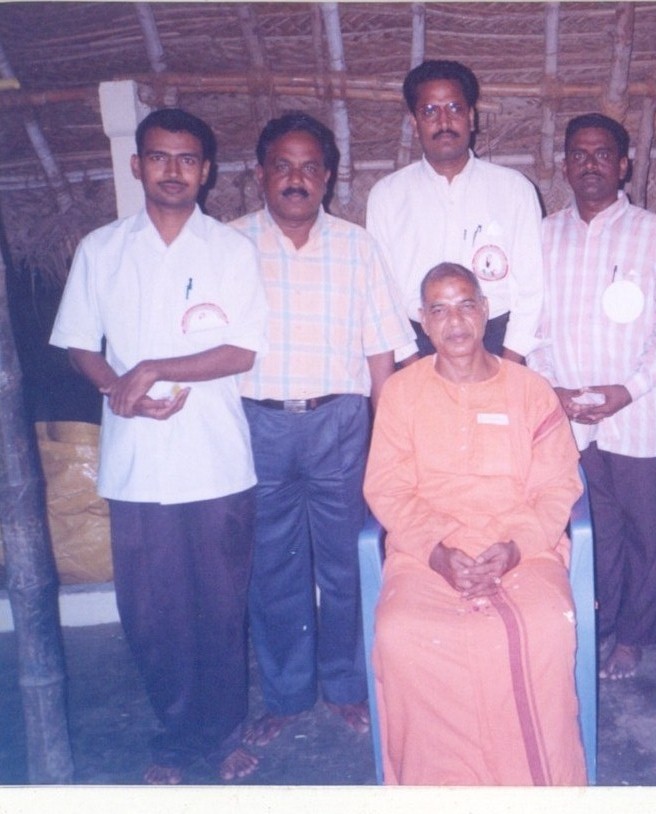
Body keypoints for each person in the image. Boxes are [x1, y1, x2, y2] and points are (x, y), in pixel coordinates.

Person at [49, 108, 268, 782]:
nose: (173, 170)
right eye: (159, 157)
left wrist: (156, 366)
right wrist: (120, 384)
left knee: (222, 608)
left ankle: (224, 734)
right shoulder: (101, 249)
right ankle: (175, 738)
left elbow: (240, 349)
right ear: (137, 165)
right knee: (151, 612)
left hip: (216, 461)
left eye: (187, 159)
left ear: (205, 171)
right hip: (136, 464)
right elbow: (79, 343)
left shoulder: (231, 251)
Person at [230, 112, 415, 747]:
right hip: (257, 425)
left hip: (340, 421)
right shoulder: (228, 245)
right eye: (283, 165)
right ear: (260, 174)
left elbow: (385, 349)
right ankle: (285, 695)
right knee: (272, 569)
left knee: (347, 564)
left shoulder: (358, 245)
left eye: (310, 167)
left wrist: (388, 440)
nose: (296, 178)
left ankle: (347, 687)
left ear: (328, 177)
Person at [363, 262, 586, 785]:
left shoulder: (531, 390)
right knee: (402, 633)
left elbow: (559, 487)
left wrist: (515, 546)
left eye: (465, 304)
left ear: (486, 311)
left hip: (522, 549)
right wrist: (436, 551)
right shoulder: (400, 393)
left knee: (543, 628)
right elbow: (386, 488)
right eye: (438, 309)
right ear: (421, 320)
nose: (454, 320)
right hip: (427, 554)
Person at [528, 113, 656, 680]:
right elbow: (532, 327)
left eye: (602, 154)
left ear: (624, 164)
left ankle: (635, 636)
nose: (590, 163)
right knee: (593, 529)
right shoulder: (543, 236)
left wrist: (630, 389)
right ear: (565, 164)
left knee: (646, 530)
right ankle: (597, 623)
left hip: (638, 413)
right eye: (579, 154)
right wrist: (555, 389)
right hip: (569, 416)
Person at [365, 59, 543, 364]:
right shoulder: (387, 196)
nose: (444, 121)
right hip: (416, 345)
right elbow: (380, 293)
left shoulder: (514, 190)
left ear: (471, 118)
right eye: (430, 111)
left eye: (455, 108)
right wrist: (412, 363)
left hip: (498, 342)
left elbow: (532, 288)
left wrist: (509, 365)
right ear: (414, 122)